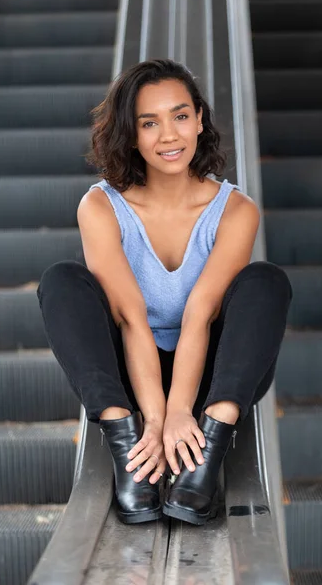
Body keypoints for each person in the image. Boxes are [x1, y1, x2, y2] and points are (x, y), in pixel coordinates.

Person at [36, 58, 292, 526]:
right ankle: (125, 441)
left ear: (199, 119)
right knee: (62, 280)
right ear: (131, 135)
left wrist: (181, 411)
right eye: (148, 123)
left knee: (266, 281)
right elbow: (131, 317)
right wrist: (153, 419)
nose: (169, 136)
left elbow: (200, 312)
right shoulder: (101, 206)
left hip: (214, 375)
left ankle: (207, 448)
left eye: (179, 116)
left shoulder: (235, 210)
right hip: (133, 378)